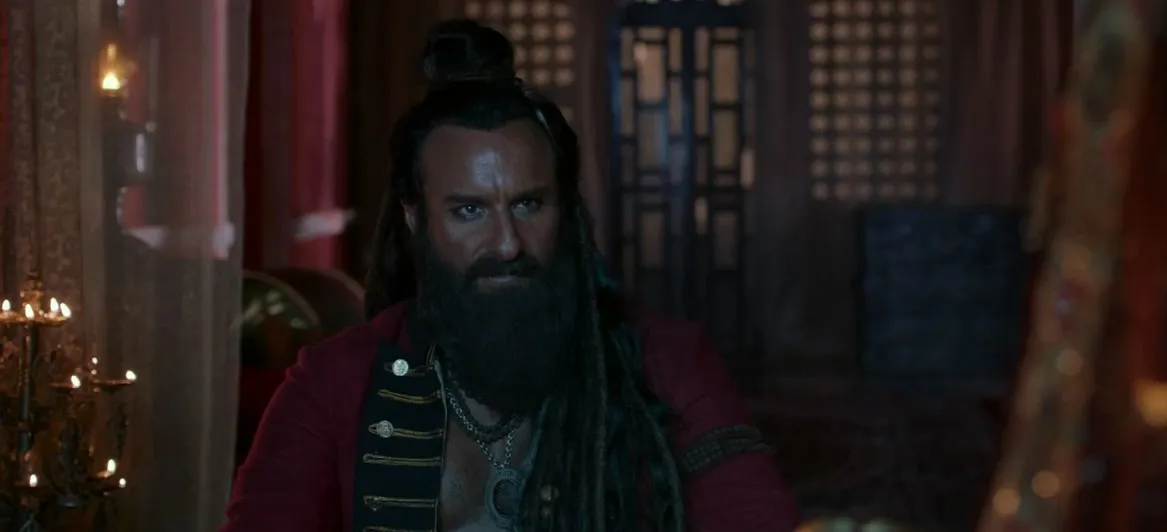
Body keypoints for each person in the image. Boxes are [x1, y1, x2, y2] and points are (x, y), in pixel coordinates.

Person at [223, 19, 799, 532]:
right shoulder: (335, 383)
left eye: (528, 204)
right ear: (416, 218)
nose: (507, 243)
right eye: (469, 210)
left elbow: (754, 515)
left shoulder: (666, 362)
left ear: (565, 211)